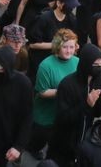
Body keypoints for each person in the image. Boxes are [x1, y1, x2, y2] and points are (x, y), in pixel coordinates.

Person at [48, 43, 101, 167]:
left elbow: (97, 113)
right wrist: (86, 104)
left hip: (86, 138)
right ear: (86, 63)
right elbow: (63, 118)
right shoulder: (67, 85)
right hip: (64, 141)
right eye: (95, 65)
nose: (98, 68)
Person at [31, 29, 80, 157]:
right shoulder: (46, 65)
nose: (69, 51)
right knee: (38, 141)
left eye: (71, 47)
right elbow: (43, 92)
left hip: (64, 113)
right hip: (46, 113)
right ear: (58, 47)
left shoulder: (77, 62)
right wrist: (64, 91)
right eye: (65, 47)